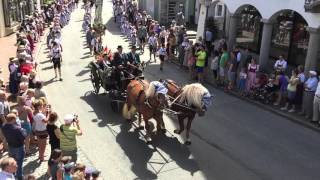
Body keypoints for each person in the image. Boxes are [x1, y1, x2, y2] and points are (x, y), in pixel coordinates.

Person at [1, 114, 26, 180]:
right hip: (19, 147)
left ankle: (12, 174)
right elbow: (23, 138)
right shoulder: (17, 128)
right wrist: (23, 131)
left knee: (12, 162)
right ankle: (20, 177)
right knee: (19, 163)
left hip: (10, 146)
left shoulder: (3, 127)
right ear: (13, 119)